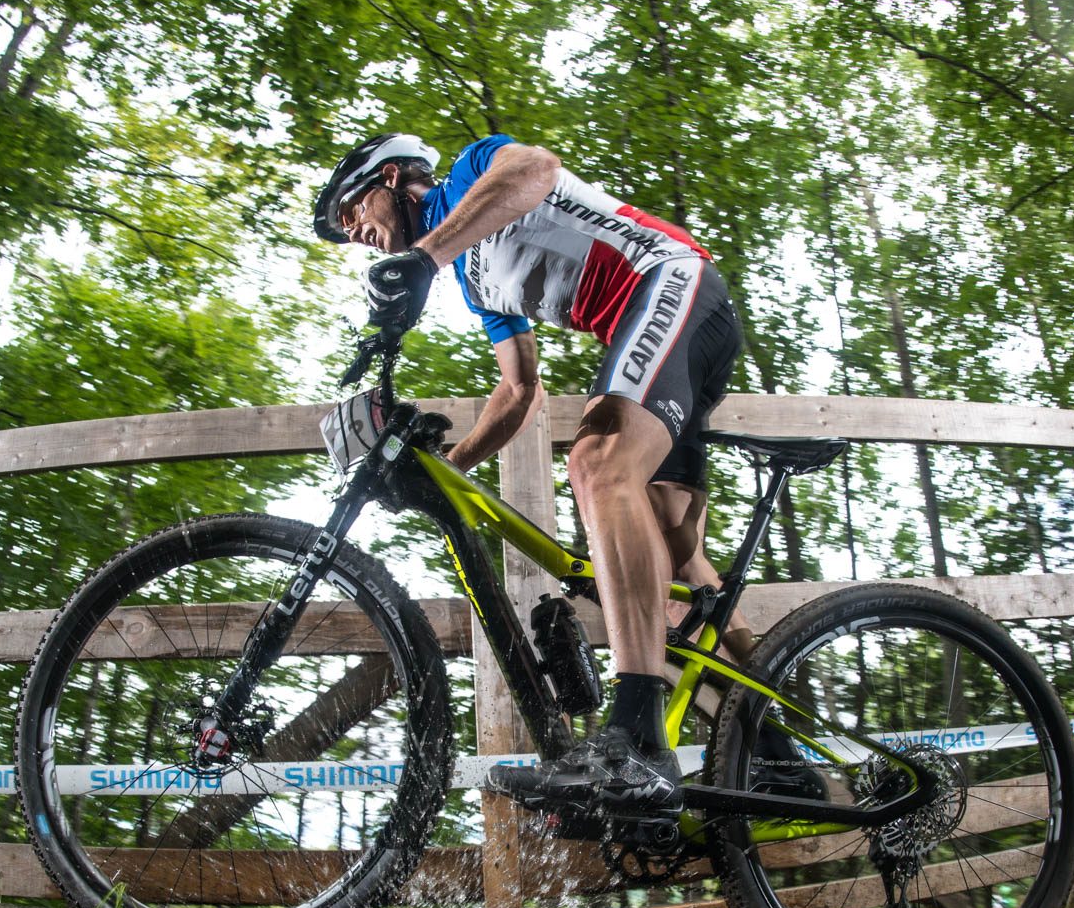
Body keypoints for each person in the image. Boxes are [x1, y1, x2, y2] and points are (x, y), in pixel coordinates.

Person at [318, 132, 803, 820]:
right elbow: (520, 392)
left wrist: (425, 257)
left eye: (351, 212)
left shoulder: (475, 174)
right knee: (670, 560)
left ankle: (635, 741)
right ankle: (783, 754)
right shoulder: (473, 280)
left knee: (597, 463)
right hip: (687, 329)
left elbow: (538, 170)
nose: (354, 234)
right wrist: (448, 469)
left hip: (673, 280)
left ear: (393, 177)